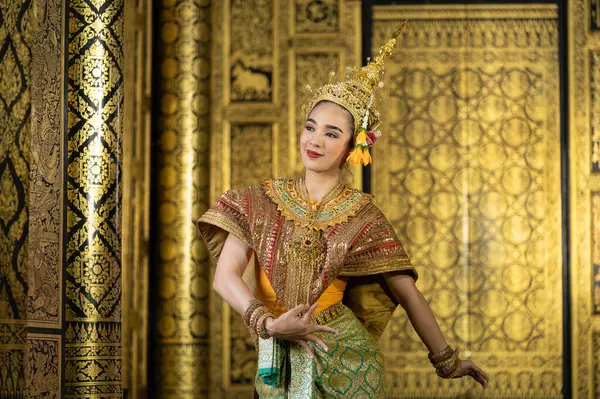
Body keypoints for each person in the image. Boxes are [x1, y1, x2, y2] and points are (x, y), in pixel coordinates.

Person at [197, 25, 489, 398]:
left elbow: (408, 293)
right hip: (278, 355)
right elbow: (225, 278)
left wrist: (446, 360)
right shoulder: (257, 201)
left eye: (332, 133)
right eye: (310, 127)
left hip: (347, 363)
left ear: (354, 145)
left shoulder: (362, 216)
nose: (315, 140)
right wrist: (269, 324)